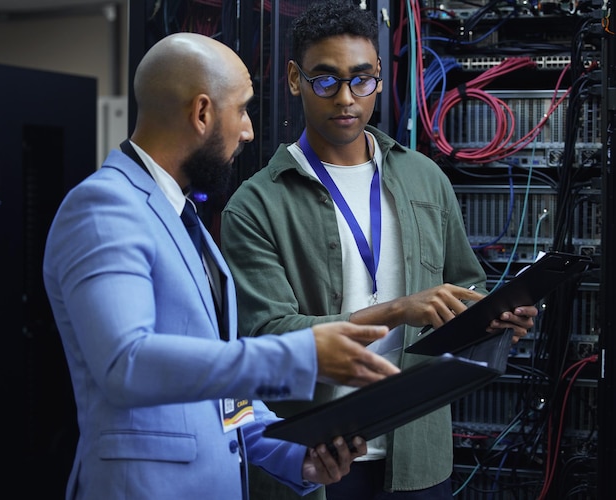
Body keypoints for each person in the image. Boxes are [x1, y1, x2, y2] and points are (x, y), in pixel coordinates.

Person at [42, 32, 401, 500]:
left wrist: (297, 455)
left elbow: (221, 399)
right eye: (243, 109)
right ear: (202, 113)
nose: (249, 130)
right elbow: (124, 363)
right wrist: (303, 354)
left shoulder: (184, 218)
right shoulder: (104, 207)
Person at [220, 2, 538, 499]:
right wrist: (394, 311)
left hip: (419, 456)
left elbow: (464, 283)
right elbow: (266, 338)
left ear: (380, 81)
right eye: (325, 81)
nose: (346, 98)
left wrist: (491, 318)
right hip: (317, 461)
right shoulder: (257, 204)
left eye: (361, 80)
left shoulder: (423, 178)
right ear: (294, 79)